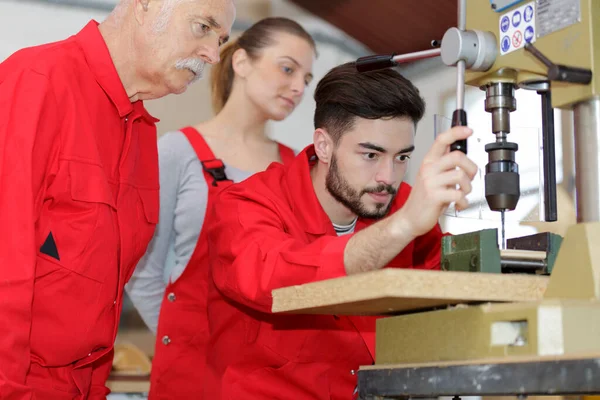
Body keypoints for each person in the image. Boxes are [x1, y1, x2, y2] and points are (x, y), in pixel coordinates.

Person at [0, 0, 235, 398]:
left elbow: (103, 297)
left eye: (221, 39)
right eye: (203, 28)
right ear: (145, 5)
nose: (213, 55)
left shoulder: (142, 134)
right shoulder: (36, 81)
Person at [203, 62, 478, 398]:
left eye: (402, 157)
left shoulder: (399, 202)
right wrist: (402, 226)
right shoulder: (245, 205)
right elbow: (276, 278)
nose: (388, 178)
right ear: (324, 145)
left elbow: (447, 268)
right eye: (371, 155)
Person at [125, 17, 316, 398]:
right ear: (241, 62)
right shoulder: (177, 151)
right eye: (287, 68)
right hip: (191, 370)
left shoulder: (298, 168)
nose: (298, 87)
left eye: (307, 79)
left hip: (270, 374)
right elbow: (140, 267)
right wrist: (178, 336)